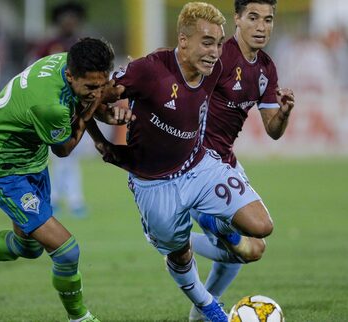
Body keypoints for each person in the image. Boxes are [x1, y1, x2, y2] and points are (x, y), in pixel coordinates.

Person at [88, 2, 275, 321]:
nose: (215, 52)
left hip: (200, 166)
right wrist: (113, 111)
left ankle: (215, 225)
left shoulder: (214, 69)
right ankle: (208, 307)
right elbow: (98, 95)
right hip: (154, 183)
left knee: (261, 227)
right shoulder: (150, 69)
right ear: (183, 41)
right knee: (179, 255)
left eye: (218, 43)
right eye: (207, 42)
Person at [0, 37, 129, 322]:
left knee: (27, 247)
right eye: (91, 87)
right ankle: (79, 317)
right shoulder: (48, 104)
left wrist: (101, 130)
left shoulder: (73, 64)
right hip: (2, 167)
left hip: (31, 160)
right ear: (70, 75)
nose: (97, 91)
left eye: (101, 85)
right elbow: (64, 149)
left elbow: (83, 99)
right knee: (66, 250)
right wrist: (98, 107)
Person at [188, 0, 295, 320]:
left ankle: (182, 249)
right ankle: (176, 243)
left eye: (268, 19)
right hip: (195, 164)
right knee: (249, 243)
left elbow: (273, 131)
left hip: (228, 162)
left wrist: (285, 113)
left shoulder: (266, 68)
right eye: (253, 18)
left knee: (254, 248)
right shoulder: (217, 55)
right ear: (237, 19)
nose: (262, 26)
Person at [29, 1, 89, 218]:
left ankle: (67, 199)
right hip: (52, 107)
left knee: (70, 155)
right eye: (66, 18)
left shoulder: (82, 44)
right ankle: (68, 199)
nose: (69, 21)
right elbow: (34, 72)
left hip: (76, 107)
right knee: (58, 155)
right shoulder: (48, 45)